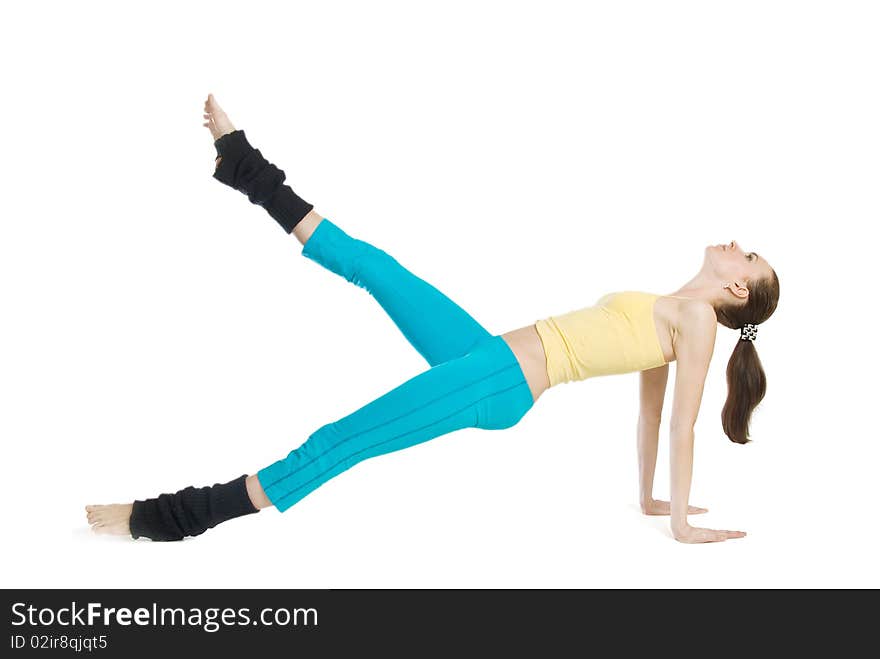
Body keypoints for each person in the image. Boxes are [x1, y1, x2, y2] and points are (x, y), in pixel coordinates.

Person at [85, 94, 780, 545]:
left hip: (498, 383)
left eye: (746, 254)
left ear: (740, 287)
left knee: (340, 440)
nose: (734, 243)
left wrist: (682, 519)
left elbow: (684, 423)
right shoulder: (669, 306)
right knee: (378, 267)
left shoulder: (697, 323)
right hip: (484, 353)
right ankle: (244, 167)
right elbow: (649, 416)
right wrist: (649, 496)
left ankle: (173, 517)